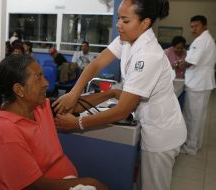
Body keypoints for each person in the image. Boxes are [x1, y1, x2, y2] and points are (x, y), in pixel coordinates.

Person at [53, 1, 187, 190]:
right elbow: (97, 63)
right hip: (152, 125)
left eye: (125, 20)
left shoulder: (148, 55)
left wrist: (78, 123)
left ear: (144, 23)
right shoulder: (127, 38)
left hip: (161, 133)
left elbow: (122, 110)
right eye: (118, 19)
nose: (118, 25)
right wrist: (75, 92)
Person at [0, 55, 108, 190]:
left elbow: (73, 105)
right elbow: (33, 186)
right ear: (19, 90)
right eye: (38, 78)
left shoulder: (38, 107)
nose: (46, 83)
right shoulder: (6, 133)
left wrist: (111, 94)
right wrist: (88, 183)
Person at [178, 15, 216, 155]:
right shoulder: (207, 39)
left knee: (193, 117)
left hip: (198, 85)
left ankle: (191, 147)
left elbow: (190, 62)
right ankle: (196, 144)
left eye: (196, 26)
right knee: (199, 117)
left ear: (204, 26)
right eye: (192, 26)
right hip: (202, 83)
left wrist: (180, 64)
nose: (193, 29)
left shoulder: (201, 41)